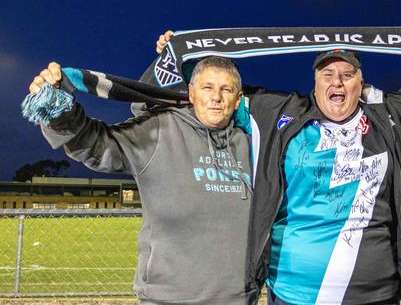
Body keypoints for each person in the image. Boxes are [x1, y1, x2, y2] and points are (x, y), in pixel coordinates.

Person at [155, 28, 401, 304]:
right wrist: (175, 57)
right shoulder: (277, 112)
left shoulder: (391, 115)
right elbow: (200, 95)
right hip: (292, 293)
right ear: (315, 82)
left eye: (347, 74)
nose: (337, 81)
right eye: (328, 74)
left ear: (360, 84)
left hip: (376, 294)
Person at [29, 57, 258, 304]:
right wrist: (58, 108)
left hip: (239, 299)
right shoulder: (160, 128)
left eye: (226, 89)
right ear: (191, 93)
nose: (216, 97)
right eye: (207, 87)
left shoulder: (252, 144)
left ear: (238, 99)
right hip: (168, 299)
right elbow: (96, 145)